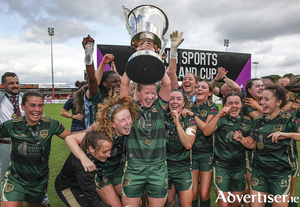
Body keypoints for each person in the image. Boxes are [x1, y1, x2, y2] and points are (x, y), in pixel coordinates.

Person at [61, 94, 138, 207]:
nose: (128, 122)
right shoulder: (102, 133)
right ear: (112, 124)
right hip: (102, 176)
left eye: (129, 117)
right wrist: (83, 158)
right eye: (122, 120)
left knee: (137, 201)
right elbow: (69, 138)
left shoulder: (129, 129)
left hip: (117, 173)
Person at [0, 90, 71, 207]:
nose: (37, 110)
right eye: (32, 105)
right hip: (16, 180)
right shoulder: (12, 124)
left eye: (40, 106)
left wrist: (88, 132)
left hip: (39, 181)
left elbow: (71, 138)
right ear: (22, 106)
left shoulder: (51, 124)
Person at [241, 85, 300, 206]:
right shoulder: (258, 120)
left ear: (279, 102)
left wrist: (288, 135)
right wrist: (244, 141)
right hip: (259, 173)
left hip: (280, 174)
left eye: (266, 99)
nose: (262, 102)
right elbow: (257, 146)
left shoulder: (289, 120)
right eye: (262, 99)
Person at [120, 70, 171, 207]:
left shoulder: (160, 107)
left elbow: (167, 83)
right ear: (137, 92)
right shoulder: (130, 108)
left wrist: (154, 60)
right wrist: (136, 59)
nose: (150, 97)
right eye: (146, 93)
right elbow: (124, 83)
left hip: (158, 167)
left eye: (153, 93)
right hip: (134, 167)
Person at [0, 73, 52, 207]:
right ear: (3, 85)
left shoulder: (27, 99)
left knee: (34, 173)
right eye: (11, 83)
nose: (15, 86)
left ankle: (43, 201)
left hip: (28, 142)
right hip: (6, 143)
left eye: (17, 82)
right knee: (6, 174)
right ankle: (9, 198)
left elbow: (40, 117)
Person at [203, 92, 253, 207]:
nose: (234, 106)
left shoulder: (248, 120)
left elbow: (253, 140)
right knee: (224, 203)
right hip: (221, 166)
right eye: (230, 103)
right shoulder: (221, 118)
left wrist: (248, 138)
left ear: (241, 105)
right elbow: (206, 132)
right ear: (225, 105)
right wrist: (219, 115)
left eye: (237, 103)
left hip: (240, 167)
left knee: (236, 202)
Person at [184, 80, 219, 207]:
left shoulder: (212, 107)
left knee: (204, 194)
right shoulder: (188, 106)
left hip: (206, 154)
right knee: (193, 193)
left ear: (209, 93)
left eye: (203, 87)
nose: (199, 89)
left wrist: (193, 115)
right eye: (197, 87)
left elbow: (206, 130)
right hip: (191, 153)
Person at [55, 131, 112, 207]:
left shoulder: (90, 142)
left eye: (110, 150)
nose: (109, 155)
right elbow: (93, 201)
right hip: (69, 187)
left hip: (86, 182)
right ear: (91, 149)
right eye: (104, 152)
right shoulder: (84, 168)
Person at [164, 90, 197, 207]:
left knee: (186, 204)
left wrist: (177, 123)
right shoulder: (163, 117)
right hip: (165, 166)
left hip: (183, 167)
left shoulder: (189, 120)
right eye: (171, 98)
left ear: (183, 103)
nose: (175, 101)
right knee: (168, 201)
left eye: (179, 99)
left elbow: (188, 144)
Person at [82, 35, 121, 116]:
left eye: (119, 81)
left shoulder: (122, 96)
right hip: (101, 128)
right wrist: (89, 54)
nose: (119, 84)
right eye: (114, 81)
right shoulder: (98, 97)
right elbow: (93, 80)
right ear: (104, 83)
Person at [168, 31, 197, 105]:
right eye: (184, 79)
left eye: (190, 79)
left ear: (196, 83)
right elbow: (172, 73)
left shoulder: (200, 96)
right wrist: (173, 50)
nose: (186, 81)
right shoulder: (178, 92)